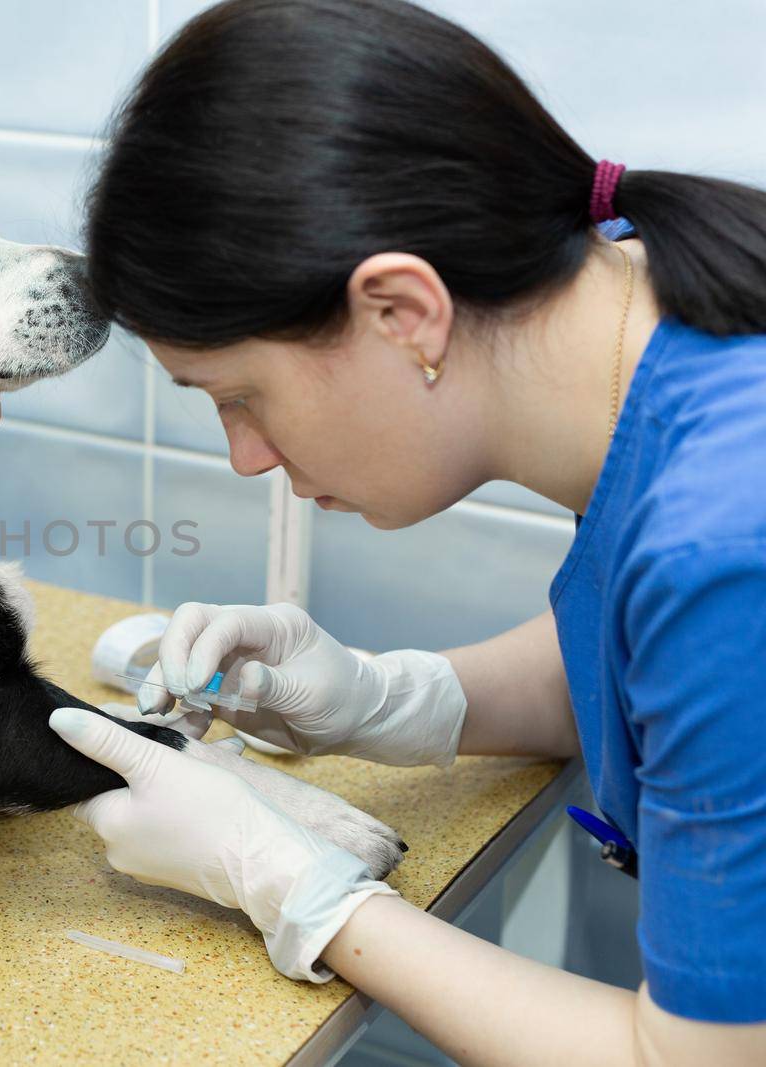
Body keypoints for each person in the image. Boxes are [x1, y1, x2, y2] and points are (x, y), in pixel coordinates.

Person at [52, 0, 766, 1061]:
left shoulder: (727, 533)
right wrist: (390, 699)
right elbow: (671, 679)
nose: (245, 456)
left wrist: (301, 891)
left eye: (239, 393)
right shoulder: (648, 311)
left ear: (400, 310)